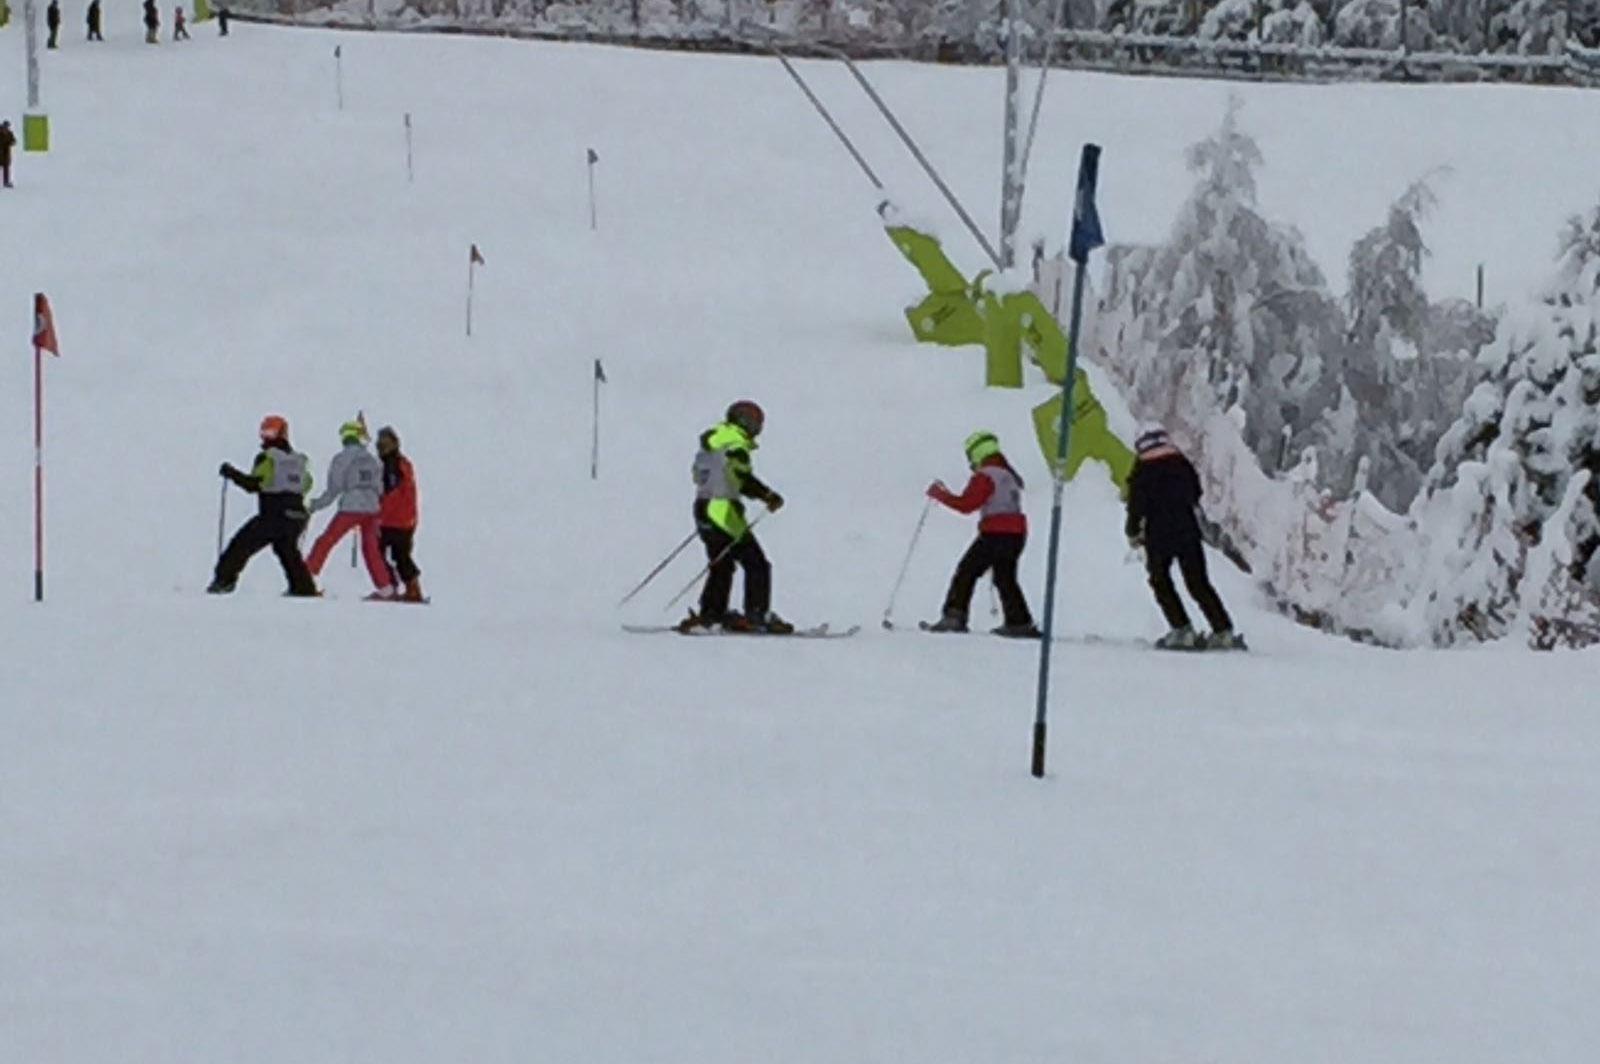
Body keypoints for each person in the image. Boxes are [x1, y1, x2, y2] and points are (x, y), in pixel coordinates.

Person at [676, 400, 792, 634]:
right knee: (757, 563)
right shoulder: (735, 444)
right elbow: (739, 476)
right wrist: (767, 496)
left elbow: (699, 475)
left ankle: (712, 614)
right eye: (756, 424)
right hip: (724, 511)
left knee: (722, 564)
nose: (757, 430)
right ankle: (757, 615)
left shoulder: (712, 443)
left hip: (703, 506)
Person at [1124, 426, 1244, 649]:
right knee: (1198, 582)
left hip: (1158, 532)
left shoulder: (1143, 469)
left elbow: (1135, 504)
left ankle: (1181, 629)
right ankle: (1222, 630)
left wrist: (1132, 531)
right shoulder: (1181, 463)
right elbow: (1196, 492)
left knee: (1160, 580)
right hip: (1187, 528)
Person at [924, 431, 1039, 637]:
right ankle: (1019, 621)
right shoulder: (1008, 475)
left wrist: (940, 495)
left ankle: (954, 616)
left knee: (967, 571)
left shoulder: (986, 476)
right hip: (1016, 535)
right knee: (1005, 577)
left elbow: (966, 505)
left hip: (994, 533)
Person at [210, 415, 319, 596]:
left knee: (241, 545)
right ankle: (303, 588)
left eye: (270, 432)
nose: (267, 437)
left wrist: (231, 473)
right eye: (265, 432)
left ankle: (224, 581)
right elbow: (307, 484)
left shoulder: (267, 458)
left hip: (274, 514)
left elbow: (253, 485)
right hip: (297, 515)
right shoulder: (300, 460)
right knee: (287, 551)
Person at [304, 419, 396, 600]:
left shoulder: (341, 459)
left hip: (351, 507)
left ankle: (305, 578)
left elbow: (334, 489)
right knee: (371, 549)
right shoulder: (373, 460)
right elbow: (380, 488)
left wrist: (314, 505)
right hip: (372, 509)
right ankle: (385, 588)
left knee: (326, 541)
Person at [375, 425, 426, 603]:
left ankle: (397, 587)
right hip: (404, 519)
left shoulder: (392, 466)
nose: (381, 448)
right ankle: (407, 587)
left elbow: (391, 493)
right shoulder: (401, 463)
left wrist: (377, 511)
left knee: (382, 552)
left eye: (384, 444)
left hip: (394, 519)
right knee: (398, 554)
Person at [0, 121, 15, 189]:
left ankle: (6, 182)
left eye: (8, 126)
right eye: (5, 126)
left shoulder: (9, 133)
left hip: (6, 153)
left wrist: (11, 142)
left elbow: (13, 141)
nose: (7, 128)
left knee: (6, 168)